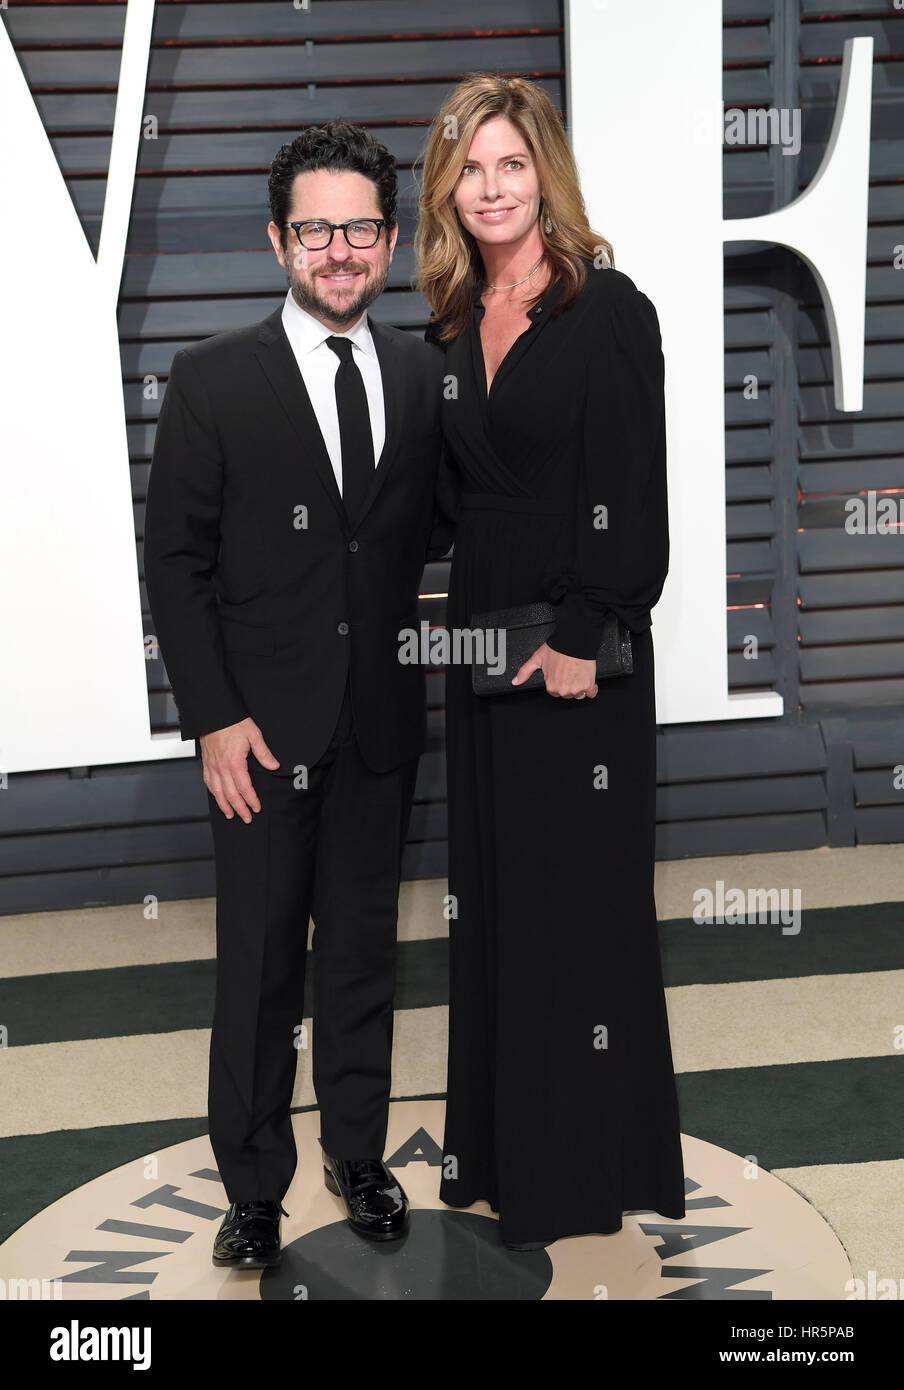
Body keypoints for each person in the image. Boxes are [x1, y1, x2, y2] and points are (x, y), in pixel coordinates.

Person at [144, 122, 450, 1267]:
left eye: (360, 228)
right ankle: (255, 1187)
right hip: (258, 736)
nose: (339, 249)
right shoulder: (213, 378)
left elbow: (438, 527)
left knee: (365, 950)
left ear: (388, 241)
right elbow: (173, 563)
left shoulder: (424, 373)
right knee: (261, 964)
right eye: (315, 229)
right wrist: (215, 717)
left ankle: (359, 1157)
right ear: (279, 240)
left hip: (379, 723)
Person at [415, 75, 687, 1248]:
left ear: (545, 177)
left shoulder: (607, 309)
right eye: (470, 169)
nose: (490, 188)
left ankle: (581, 1172)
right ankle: (501, 1151)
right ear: (447, 187)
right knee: (496, 899)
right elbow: (437, 502)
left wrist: (582, 630)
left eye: (510, 165)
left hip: (576, 646)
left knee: (576, 902)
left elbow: (633, 491)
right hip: (481, 637)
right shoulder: (444, 322)